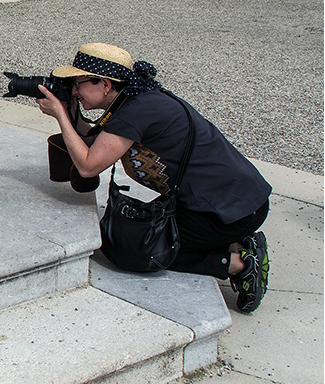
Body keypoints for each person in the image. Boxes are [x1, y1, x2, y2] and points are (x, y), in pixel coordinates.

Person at [36, 42, 272, 313]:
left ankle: (239, 263)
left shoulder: (134, 112)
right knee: (128, 235)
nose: (74, 91)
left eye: (78, 84)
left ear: (104, 84)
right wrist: (68, 112)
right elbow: (93, 140)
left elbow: (89, 165)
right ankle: (236, 241)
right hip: (235, 202)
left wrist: (60, 117)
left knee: (132, 249)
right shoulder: (137, 100)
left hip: (227, 212)